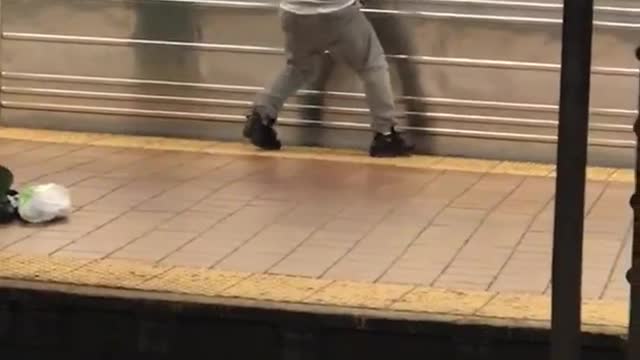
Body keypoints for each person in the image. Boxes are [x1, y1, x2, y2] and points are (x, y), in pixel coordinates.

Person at [243, 0, 413, 157]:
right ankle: (385, 134)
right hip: (336, 12)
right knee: (372, 66)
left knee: (298, 68)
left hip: (293, 11)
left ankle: (262, 116)